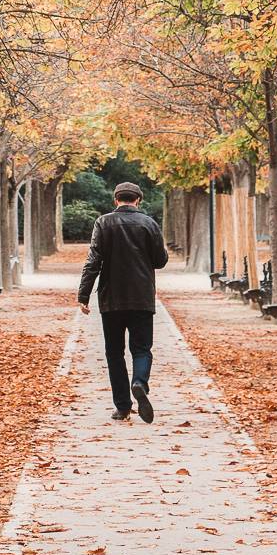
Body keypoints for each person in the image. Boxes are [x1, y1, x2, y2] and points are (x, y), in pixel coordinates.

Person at [77, 181, 169, 423]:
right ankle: (139, 382)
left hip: (111, 298)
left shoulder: (103, 223)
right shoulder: (149, 223)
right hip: (141, 297)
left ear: (115, 199)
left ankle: (123, 406)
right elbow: (160, 260)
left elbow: (93, 261)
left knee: (114, 352)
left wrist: (83, 295)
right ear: (138, 200)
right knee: (141, 349)